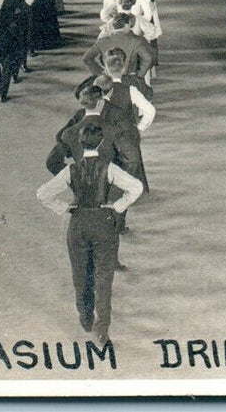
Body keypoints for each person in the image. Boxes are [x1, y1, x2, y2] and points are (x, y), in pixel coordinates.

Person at [36, 122, 144, 346]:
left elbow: (43, 194)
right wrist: (118, 206)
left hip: (78, 224)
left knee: (80, 272)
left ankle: (85, 316)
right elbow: (136, 187)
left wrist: (64, 207)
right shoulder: (109, 168)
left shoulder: (71, 170)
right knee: (104, 276)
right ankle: (102, 327)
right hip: (103, 223)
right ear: (102, 142)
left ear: (79, 143)